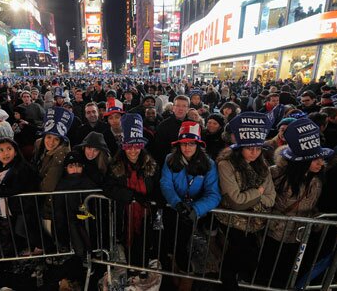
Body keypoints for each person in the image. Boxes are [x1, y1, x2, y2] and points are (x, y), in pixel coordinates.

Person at [260, 118, 333, 287]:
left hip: (301, 234)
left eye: (321, 159)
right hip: (275, 231)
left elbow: (314, 204)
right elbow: (265, 199)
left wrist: (316, 220)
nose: (320, 163)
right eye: (316, 160)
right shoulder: (277, 173)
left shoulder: (318, 178)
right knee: (269, 267)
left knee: (289, 270)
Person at [216, 112, 276, 290]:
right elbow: (236, 202)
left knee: (247, 260)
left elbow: (271, 198)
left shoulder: (262, 163)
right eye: (250, 148)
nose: (254, 153)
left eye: (258, 148)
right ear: (239, 148)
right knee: (236, 259)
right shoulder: (225, 164)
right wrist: (258, 192)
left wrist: (252, 196)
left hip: (256, 223)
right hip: (232, 222)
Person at [160, 121, 221, 290]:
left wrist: (196, 209)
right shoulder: (169, 160)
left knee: (183, 247)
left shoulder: (209, 164)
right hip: (173, 209)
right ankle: (174, 274)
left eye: (191, 143)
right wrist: (176, 203)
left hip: (193, 213)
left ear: (198, 145)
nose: (187, 147)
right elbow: (166, 184)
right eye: (183, 144)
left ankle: (186, 281)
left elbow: (213, 193)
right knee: (168, 243)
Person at [104, 113, 159, 268]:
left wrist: (155, 200)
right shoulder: (115, 165)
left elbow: (158, 185)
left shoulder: (152, 165)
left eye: (137, 146)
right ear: (124, 147)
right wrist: (132, 196)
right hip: (124, 217)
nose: (133, 151)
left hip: (146, 217)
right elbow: (108, 187)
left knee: (145, 245)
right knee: (128, 248)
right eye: (129, 146)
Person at [31, 107, 73, 236]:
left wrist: (31, 187)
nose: (51, 142)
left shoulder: (61, 154)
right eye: (48, 137)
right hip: (42, 200)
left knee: (51, 233)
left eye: (56, 139)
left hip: (52, 203)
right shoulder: (39, 145)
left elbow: (48, 187)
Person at [54, 151, 97, 257]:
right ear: (66, 168)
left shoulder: (89, 182)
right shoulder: (61, 184)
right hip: (69, 221)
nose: (75, 169)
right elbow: (58, 207)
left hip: (87, 220)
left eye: (78, 166)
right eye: (71, 166)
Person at [152, 95, 190, 165]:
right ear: (173, 108)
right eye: (178, 105)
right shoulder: (163, 126)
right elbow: (158, 150)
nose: (180, 109)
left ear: (188, 109)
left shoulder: (193, 125)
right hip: (170, 164)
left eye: (184, 106)